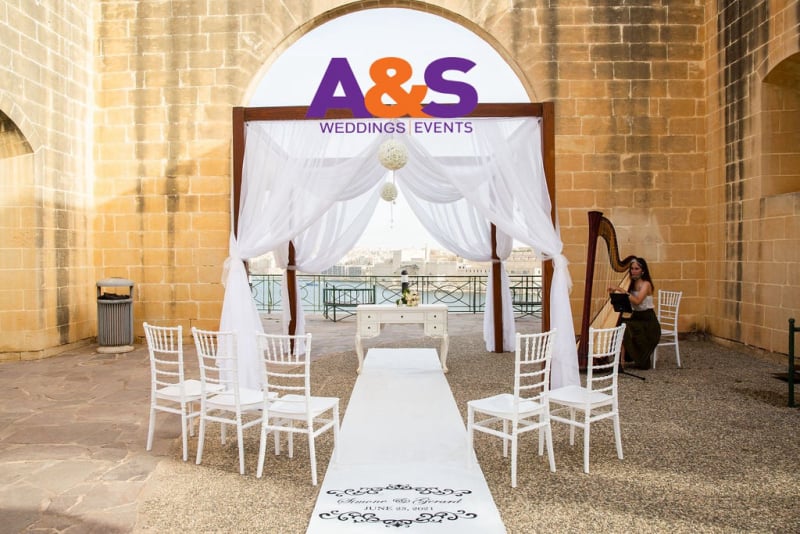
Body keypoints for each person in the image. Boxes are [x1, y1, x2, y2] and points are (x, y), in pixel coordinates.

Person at [608, 257, 661, 370]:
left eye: (637, 269)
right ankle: (619, 361)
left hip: (648, 322)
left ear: (643, 271)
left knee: (626, 327)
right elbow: (624, 303)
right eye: (632, 269)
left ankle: (625, 361)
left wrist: (621, 290)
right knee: (620, 324)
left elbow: (637, 301)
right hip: (636, 317)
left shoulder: (646, 284)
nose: (633, 271)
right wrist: (613, 294)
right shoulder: (630, 284)